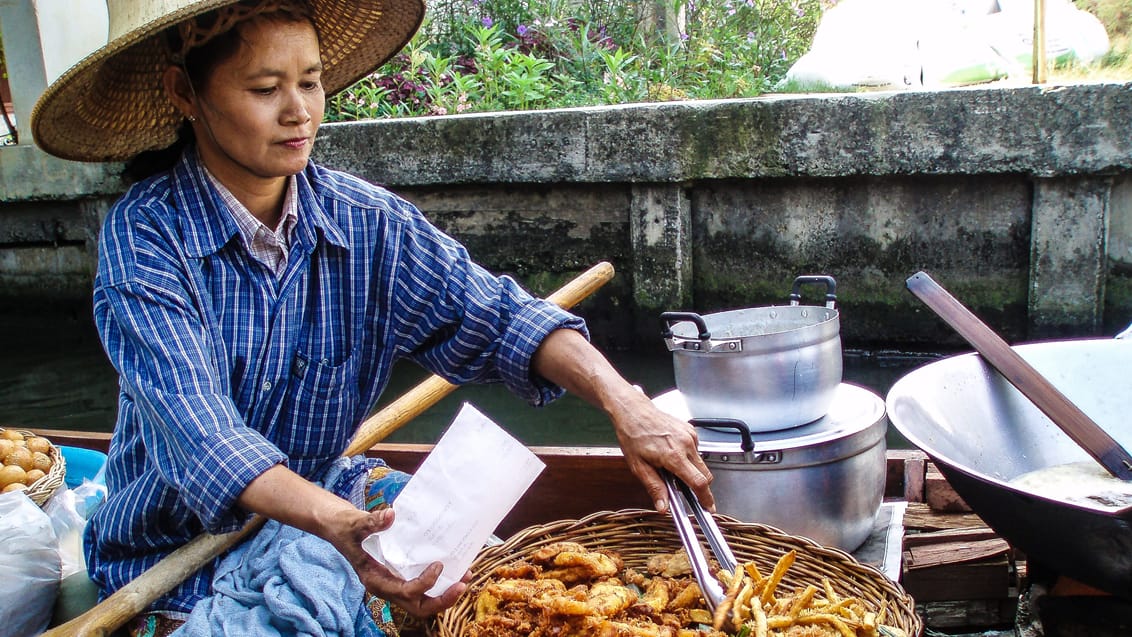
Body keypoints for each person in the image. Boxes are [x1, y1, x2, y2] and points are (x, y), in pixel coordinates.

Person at [31, 0, 715, 634]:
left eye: (311, 81)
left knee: (498, 583)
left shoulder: (366, 223)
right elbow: (203, 434)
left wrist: (628, 404)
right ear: (186, 93)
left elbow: (502, 317)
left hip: (334, 503)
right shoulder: (145, 236)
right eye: (265, 90)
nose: (298, 112)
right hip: (170, 554)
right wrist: (337, 526)